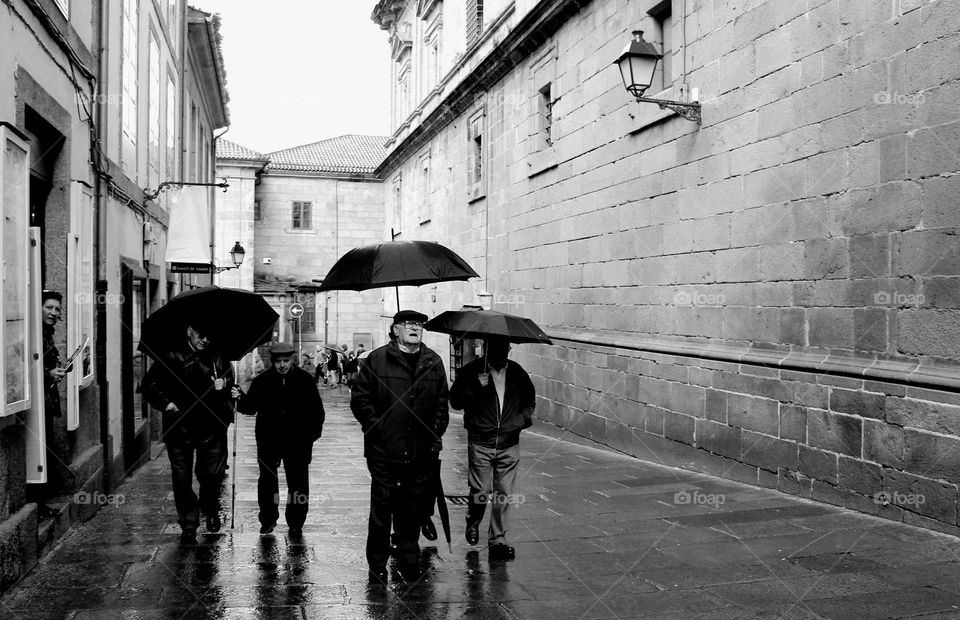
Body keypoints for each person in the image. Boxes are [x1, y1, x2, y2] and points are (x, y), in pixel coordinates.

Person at [351, 310, 449, 583]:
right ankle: (378, 564)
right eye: (408, 324)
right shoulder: (378, 359)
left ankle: (408, 560)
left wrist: (435, 430)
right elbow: (360, 400)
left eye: (419, 324)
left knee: (412, 509)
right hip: (383, 452)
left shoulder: (433, 362)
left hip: (419, 451)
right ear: (395, 330)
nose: (415, 328)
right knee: (382, 509)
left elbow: (442, 401)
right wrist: (378, 429)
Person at [140, 323, 235, 542]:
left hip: (211, 425)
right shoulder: (171, 355)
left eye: (209, 337)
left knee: (212, 474)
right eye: (201, 335)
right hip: (179, 426)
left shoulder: (218, 356)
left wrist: (224, 385)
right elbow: (149, 384)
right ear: (189, 331)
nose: (205, 340)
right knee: (181, 477)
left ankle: (210, 509)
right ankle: (189, 522)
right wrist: (167, 404)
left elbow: (231, 384)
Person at [450, 336, 536, 561]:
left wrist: (520, 421)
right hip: (481, 442)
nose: (502, 351)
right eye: (496, 347)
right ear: (487, 347)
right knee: (480, 491)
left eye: (505, 347)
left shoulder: (517, 372)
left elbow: (529, 400)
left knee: (504, 494)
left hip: (509, 442)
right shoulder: (471, 371)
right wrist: (476, 386)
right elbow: (456, 401)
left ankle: (498, 538)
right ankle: (473, 521)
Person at [232, 342, 325, 536]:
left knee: (298, 482)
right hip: (269, 439)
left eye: (286, 361)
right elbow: (250, 408)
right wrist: (238, 397)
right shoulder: (263, 381)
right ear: (273, 362)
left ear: (292, 360)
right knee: (267, 481)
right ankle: (268, 518)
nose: (282, 365)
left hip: (298, 441)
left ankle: (296, 520)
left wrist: (310, 437)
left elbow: (317, 412)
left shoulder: (304, 380)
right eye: (278, 361)